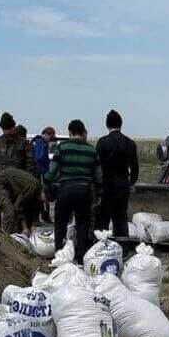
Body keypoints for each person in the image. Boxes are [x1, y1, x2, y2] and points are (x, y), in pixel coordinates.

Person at [45, 119, 99, 260]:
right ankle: (80, 257)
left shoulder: (62, 147)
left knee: (60, 223)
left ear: (70, 132)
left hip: (66, 190)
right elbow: (99, 175)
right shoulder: (91, 150)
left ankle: (59, 255)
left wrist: (46, 184)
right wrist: (98, 191)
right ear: (82, 133)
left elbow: (52, 170)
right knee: (82, 224)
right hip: (84, 191)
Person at [94, 109, 139, 238]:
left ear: (107, 125)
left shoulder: (102, 142)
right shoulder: (130, 143)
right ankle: (123, 248)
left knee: (103, 220)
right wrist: (131, 182)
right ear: (121, 124)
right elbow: (135, 167)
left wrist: (97, 187)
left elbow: (97, 167)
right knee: (120, 219)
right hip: (122, 186)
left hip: (106, 187)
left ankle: (101, 248)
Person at [0, 112, 35, 226]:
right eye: (5, 129)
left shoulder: (23, 143)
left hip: (17, 184)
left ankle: (10, 238)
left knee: (14, 213)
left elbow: (30, 164)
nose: (7, 132)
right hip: (0, 183)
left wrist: (27, 182)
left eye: (9, 129)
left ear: (14, 127)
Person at [0, 167, 43, 235]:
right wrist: (25, 228)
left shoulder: (35, 194)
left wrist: (28, 228)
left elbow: (29, 212)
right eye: (44, 198)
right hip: (0, 182)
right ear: (43, 192)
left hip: (10, 187)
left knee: (14, 216)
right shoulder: (33, 186)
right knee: (9, 213)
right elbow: (18, 206)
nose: (43, 201)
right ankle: (6, 239)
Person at [32, 126, 57, 223]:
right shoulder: (39, 142)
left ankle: (45, 217)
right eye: (50, 137)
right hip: (39, 173)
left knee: (44, 196)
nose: (50, 140)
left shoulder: (46, 143)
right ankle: (38, 218)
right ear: (46, 135)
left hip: (43, 173)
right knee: (39, 195)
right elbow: (39, 157)